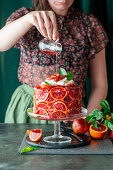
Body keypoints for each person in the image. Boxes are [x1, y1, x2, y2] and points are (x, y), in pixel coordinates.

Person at [0, 0, 109, 123]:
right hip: (29, 108)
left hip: (71, 110)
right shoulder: (25, 15)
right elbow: (1, 43)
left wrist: (86, 120)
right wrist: (29, 19)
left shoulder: (89, 24)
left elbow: (100, 85)